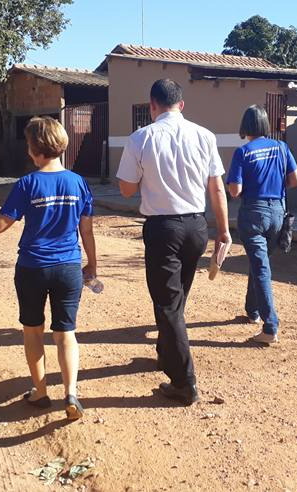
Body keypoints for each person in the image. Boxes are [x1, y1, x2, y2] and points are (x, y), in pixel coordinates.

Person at [0, 117, 96, 421]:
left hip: (33, 267)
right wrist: (93, 265)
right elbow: (87, 230)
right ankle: (71, 394)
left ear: (34, 149)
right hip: (68, 266)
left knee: (33, 331)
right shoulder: (78, 182)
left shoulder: (27, 184)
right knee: (66, 333)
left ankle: (40, 392)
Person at [117, 79, 230, 405]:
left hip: (163, 228)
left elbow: (126, 189)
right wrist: (223, 231)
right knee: (175, 299)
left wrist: (147, 176)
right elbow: (216, 188)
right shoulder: (205, 136)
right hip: (196, 227)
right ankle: (167, 353)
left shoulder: (141, 137)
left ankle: (184, 382)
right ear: (181, 105)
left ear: (152, 106)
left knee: (168, 304)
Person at [225, 105, 297, 345]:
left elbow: (235, 190)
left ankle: (270, 326)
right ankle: (253, 311)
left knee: (260, 268)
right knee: (259, 262)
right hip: (277, 213)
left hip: (253, 214)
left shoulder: (243, 152)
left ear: (245, 125)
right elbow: (295, 180)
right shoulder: (282, 147)